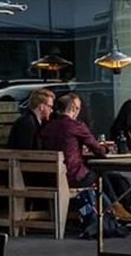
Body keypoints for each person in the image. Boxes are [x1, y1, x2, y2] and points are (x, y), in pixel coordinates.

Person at [39, 92, 126, 232]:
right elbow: (98, 150)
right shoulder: (75, 126)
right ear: (73, 109)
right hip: (72, 176)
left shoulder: (48, 126)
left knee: (102, 176)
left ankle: (115, 211)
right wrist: (106, 148)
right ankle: (115, 211)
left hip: (49, 177)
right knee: (101, 174)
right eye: (78, 108)